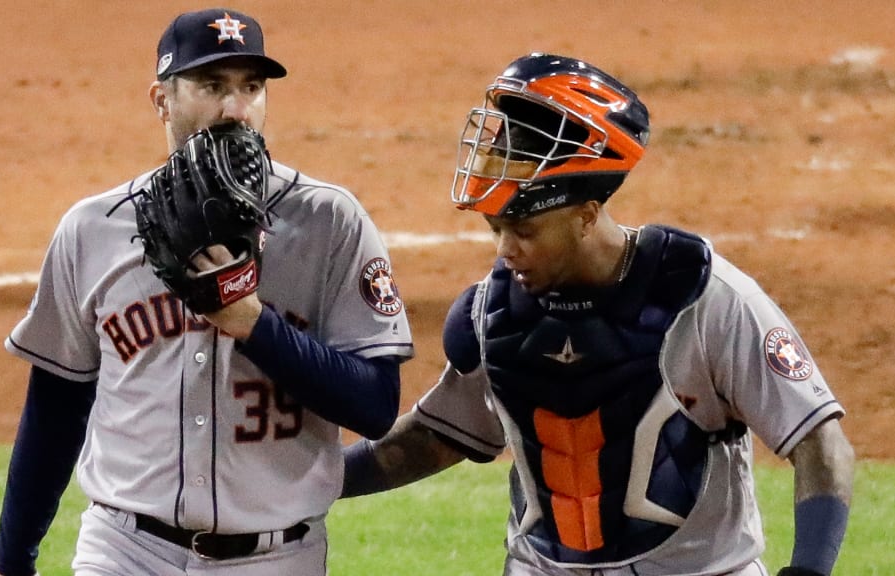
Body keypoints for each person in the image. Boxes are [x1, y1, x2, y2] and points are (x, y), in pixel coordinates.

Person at [341, 53, 854, 576]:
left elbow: (820, 443)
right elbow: (435, 437)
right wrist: (309, 480)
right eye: (496, 229)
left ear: (587, 215)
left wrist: (809, 571)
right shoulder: (493, 314)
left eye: (524, 231)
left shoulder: (706, 300)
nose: (505, 252)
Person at [0, 8, 413, 576]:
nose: (235, 109)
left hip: (277, 557)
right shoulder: (93, 229)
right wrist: (12, 560)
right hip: (124, 552)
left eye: (251, 87)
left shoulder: (330, 223)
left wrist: (253, 324)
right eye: (212, 86)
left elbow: (375, 405)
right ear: (162, 100)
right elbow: (56, 405)